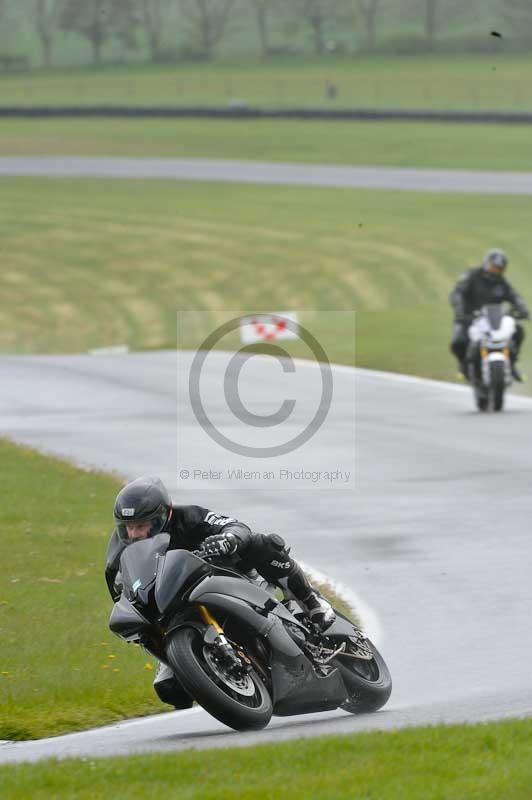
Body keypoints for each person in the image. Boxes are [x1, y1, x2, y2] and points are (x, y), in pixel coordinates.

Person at [105, 476, 336, 709]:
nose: (134, 534)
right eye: (129, 527)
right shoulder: (117, 558)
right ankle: (216, 672)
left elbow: (236, 526)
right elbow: (122, 599)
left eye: (141, 526)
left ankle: (310, 599)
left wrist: (228, 539)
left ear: (162, 517)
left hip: (226, 578)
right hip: (173, 612)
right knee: (171, 691)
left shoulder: (189, 517)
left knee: (261, 543)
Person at [449, 249, 529, 381]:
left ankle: (512, 363)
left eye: (498, 269)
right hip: (469, 317)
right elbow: (457, 293)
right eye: (493, 267)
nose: (495, 271)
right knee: (458, 341)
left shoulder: (502, 282)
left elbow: (514, 296)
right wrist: (460, 310)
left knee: (518, 331)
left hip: (494, 318)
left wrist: (522, 309)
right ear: (486, 264)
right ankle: (463, 364)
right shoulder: (472, 275)